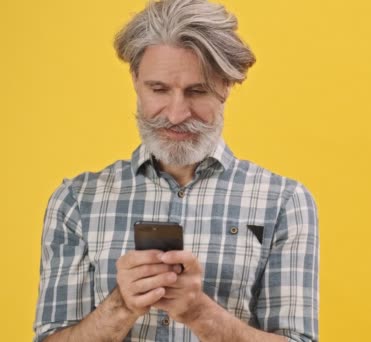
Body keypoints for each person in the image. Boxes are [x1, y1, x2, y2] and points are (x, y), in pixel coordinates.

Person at [33, 0, 319, 341]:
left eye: (197, 91)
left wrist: (200, 313)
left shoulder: (285, 202)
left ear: (226, 86)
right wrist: (122, 306)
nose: (176, 114)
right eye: (159, 89)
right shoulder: (77, 201)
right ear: (135, 80)